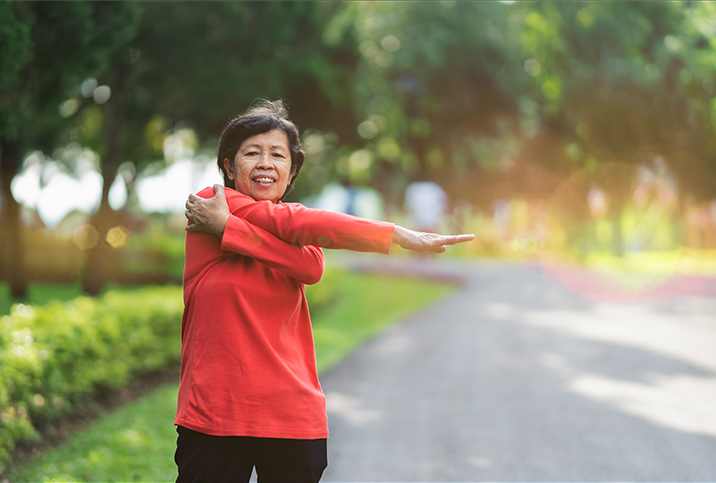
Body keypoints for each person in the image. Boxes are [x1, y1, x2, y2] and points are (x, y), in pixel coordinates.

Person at [177, 100, 473, 483]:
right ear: (229, 168)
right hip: (215, 412)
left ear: (292, 170)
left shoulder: (298, 234)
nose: (266, 162)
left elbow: (310, 266)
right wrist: (396, 233)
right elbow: (288, 225)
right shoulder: (211, 203)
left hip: (292, 413)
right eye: (252, 153)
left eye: (277, 155)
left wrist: (229, 231)